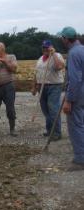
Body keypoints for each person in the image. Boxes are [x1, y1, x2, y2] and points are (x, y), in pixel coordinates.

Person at [58, 26, 84, 168]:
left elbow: (74, 79)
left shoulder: (73, 54)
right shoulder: (83, 49)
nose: (61, 40)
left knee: (76, 126)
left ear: (66, 39)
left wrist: (68, 100)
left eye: (62, 38)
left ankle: (80, 160)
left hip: (78, 95)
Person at [31, 40, 65, 141]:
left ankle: (57, 133)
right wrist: (34, 86)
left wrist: (53, 54)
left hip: (54, 86)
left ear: (51, 47)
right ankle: (49, 130)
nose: (45, 49)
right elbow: (36, 74)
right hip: (42, 87)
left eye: (47, 47)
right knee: (46, 110)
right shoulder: (40, 59)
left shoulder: (57, 56)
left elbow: (59, 67)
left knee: (53, 109)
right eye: (44, 48)